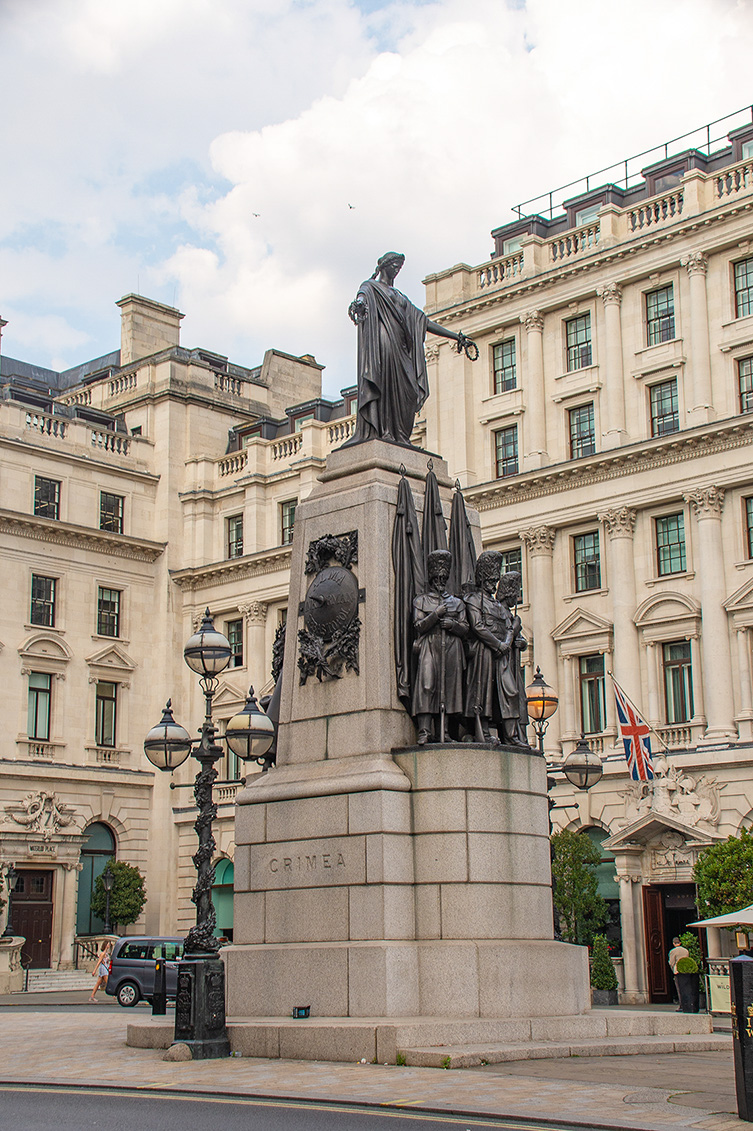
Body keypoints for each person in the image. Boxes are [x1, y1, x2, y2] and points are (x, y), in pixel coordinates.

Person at [347, 252, 477, 446]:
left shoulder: (401, 297)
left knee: (407, 390)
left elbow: (422, 322)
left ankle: (399, 434)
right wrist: (358, 306)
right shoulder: (370, 287)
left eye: (399, 267)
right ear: (383, 266)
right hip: (384, 342)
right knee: (386, 385)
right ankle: (386, 432)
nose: (397, 270)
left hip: (402, 348)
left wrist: (455, 336)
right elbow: (361, 301)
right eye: (394, 266)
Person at [464, 552, 527, 746]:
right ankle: (481, 731)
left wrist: (513, 640)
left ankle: (510, 735)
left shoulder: (499, 607)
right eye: (490, 580)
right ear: (482, 579)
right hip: (484, 653)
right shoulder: (473, 600)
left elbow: (510, 628)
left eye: (495, 580)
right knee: (483, 691)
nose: (493, 583)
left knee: (510, 691)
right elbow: (477, 626)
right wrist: (498, 644)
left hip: (502, 656)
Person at [412, 550, 469, 745]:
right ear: (431, 578)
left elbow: (466, 628)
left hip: (451, 647)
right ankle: (425, 730)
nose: (440, 582)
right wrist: (435, 615)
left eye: (443, 579)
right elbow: (418, 626)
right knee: (427, 685)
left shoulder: (457, 603)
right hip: (429, 645)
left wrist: (453, 626)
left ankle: (443, 731)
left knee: (449, 689)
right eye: (437, 578)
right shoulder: (421, 601)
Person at [668, 936, 689, 1008]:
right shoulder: (685, 950)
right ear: (680, 943)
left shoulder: (673, 951)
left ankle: (682, 1005)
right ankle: (687, 1003)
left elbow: (671, 962)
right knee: (686, 988)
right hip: (686, 970)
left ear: (674, 943)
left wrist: (673, 968)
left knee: (679, 989)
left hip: (677, 971)